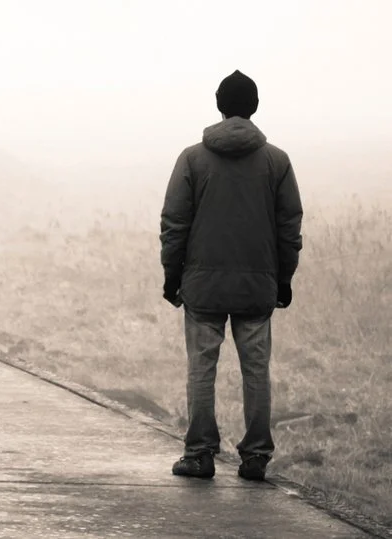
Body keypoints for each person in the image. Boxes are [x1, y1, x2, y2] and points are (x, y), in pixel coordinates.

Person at [159, 70, 303, 481]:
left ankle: (200, 454)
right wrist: (285, 278)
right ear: (254, 107)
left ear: (219, 106)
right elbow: (289, 226)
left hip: (203, 286)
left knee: (201, 367)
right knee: (256, 369)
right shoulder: (277, 161)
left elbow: (175, 222)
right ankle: (256, 457)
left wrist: (172, 276)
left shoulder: (192, 158)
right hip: (258, 286)